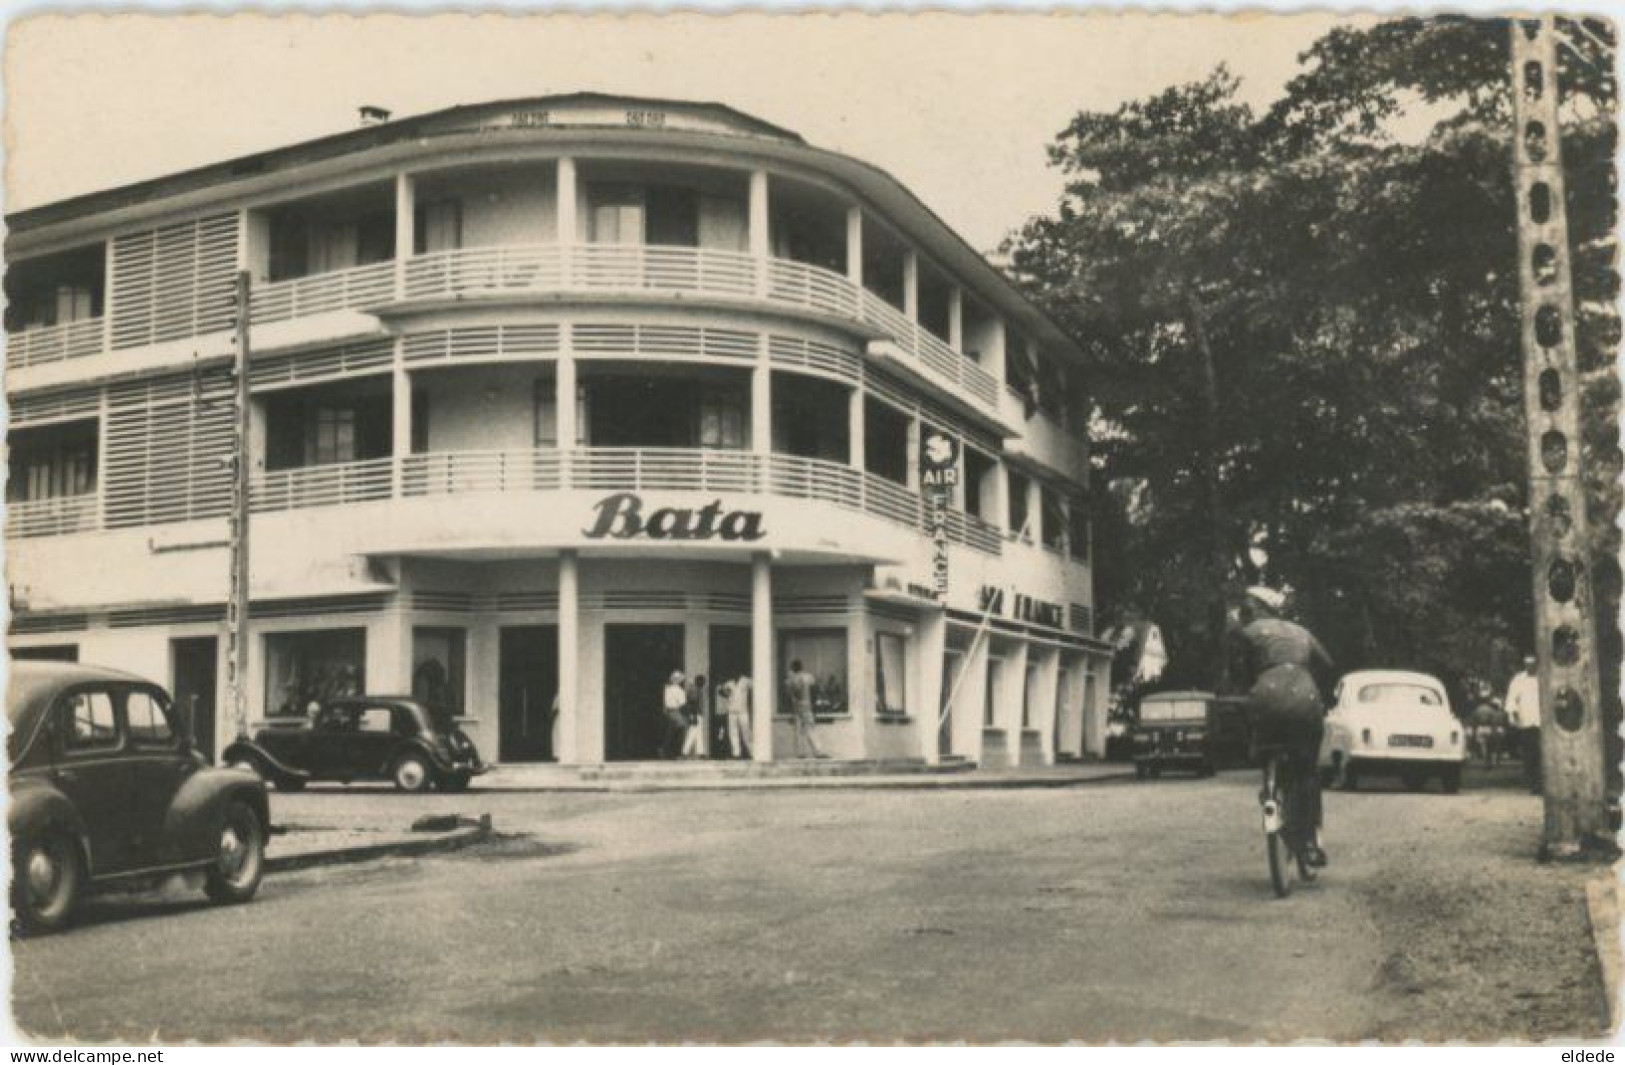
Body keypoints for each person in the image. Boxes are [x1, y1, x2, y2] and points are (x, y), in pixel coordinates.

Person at [1230, 586, 1334, 868]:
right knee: (1308, 771)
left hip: (1265, 698)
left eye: (1247, 606)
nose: (1244, 611)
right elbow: (1327, 665)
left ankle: (1269, 788)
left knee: (1263, 746)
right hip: (1305, 700)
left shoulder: (1248, 632)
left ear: (1259, 608)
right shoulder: (1302, 632)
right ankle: (1310, 842)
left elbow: (1239, 671)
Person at [1505, 655, 1543, 794]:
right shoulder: (1518, 680)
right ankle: (1534, 783)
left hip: (1543, 723)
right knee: (1530, 754)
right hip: (1526, 722)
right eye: (1527, 664)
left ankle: (1542, 783)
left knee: (1542, 754)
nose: (1530, 667)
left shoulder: (1544, 677)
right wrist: (1513, 716)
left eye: (1532, 664)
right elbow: (1511, 700)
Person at [785, 658, 828, 759]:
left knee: (799, 731)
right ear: (801, 667)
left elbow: (788, 694)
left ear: (792, 668)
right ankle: (818, 751)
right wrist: (814, 704)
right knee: (810, 729)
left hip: (796, 707)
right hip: (806, 706)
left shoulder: (791, 679)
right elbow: (814, 691)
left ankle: (801, 753)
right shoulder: (808, 677)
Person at [724, 673, 753, 759]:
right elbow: (723, 692)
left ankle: (752, 752)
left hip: (742, 711)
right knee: (733, 733)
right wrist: (726, 692)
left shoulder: (746, 680)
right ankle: (736, 753)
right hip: (732, 711)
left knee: (746, 732)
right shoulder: (729, 683)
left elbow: (757, 687)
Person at [660, 671, 689, 759]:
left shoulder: (667, 689)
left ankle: (666, 750)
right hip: (676, 711)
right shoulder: (680, 691)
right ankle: (678, 752)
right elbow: (683, 704)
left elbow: (665, 703)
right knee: (682, 729)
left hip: (668, 711)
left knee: (670, 731)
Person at [682, 674, 708, 758]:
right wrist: (693, 715)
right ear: (699, 681)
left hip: (697, 714)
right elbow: (693, 703)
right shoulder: (694, 689)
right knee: (692, 733)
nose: (704, 684)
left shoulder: (697, 689)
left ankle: (701, 752)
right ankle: (685, 752)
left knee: (698, 733)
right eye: (703, 682)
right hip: (695, 714)